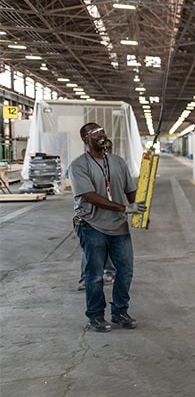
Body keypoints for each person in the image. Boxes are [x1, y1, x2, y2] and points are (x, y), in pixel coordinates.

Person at [69, 123, 145, 332]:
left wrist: (140, 202)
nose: (101, 134)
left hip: (119, 226)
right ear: (86, 140)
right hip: (92, 225)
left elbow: (131, 191)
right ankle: (95, 316)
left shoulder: (118, 162)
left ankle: (120, 311)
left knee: (126, 271)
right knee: (94, 275)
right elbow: (89, 196)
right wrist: (124, 207)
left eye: (103, 131)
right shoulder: (78, 166)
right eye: (95, 133)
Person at [77, 138, 116, 291]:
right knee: (90, 246)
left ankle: (108, 272)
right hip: (90, 213)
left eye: (107, 149)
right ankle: (86, 279)